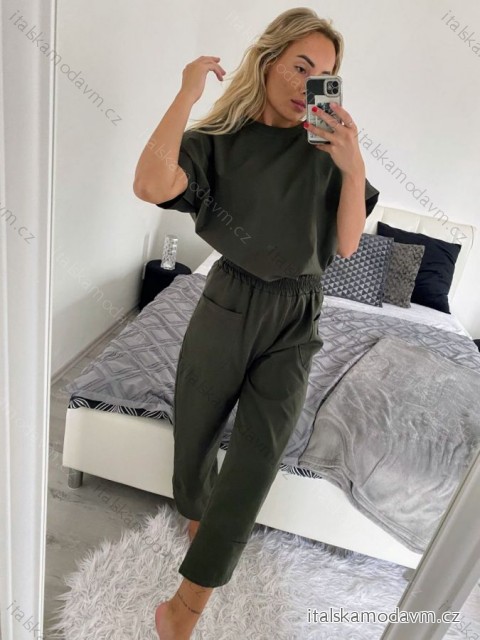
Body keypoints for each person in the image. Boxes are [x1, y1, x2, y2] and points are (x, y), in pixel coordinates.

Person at [133, 7, 380, 639]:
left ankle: (185, 609)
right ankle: (199, 517)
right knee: (195, 433)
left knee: (258, 455)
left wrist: (353, 165)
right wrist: (187, 92)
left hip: (299, 310)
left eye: (323, 74)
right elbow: (151, 184)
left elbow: (347, 243)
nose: (308, 84)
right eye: (300, 66)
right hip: (229, 297)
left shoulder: (328, 148)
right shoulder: (220, 142)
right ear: (268, 60)